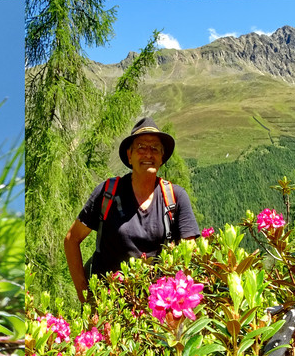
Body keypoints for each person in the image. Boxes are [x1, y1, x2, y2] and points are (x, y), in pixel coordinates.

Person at [64, 117, 200, 303]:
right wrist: (84, 294)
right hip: (108, 306)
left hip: (155, 308)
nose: (148, 154)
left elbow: (189, 254)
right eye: (141, 147)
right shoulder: (108, 192)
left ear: (162, 157)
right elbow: (72, 239)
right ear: (130, 155)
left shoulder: (175, 197)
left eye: (155, 148)